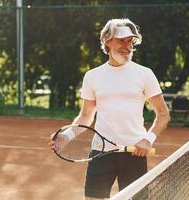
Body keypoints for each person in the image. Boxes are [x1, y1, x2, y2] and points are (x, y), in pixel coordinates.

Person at [49, 18, 170, 200]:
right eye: (121, 40)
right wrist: (66, 137)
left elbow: (163, 114)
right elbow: (86, 116)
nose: (127, 45)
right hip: (100, 152)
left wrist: (148, 139)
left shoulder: (144, 74)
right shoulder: (92, 76)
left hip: (134, 153)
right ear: (107, 40)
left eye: (130, 41)